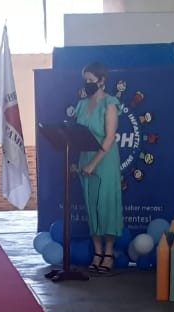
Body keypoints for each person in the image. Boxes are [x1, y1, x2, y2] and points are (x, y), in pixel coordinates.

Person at [74, 62, 124, 273]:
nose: (88, 84)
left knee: (106, 205)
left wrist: (94, 164)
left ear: (102, 81)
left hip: (104, 159)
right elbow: (75, 133)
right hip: (85, 156)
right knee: (91, 205)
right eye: (85, 80)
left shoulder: (110, 103)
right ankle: (97, 252)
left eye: (91, 81)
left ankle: (109, 252)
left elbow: (110, 137)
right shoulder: (82, 104)